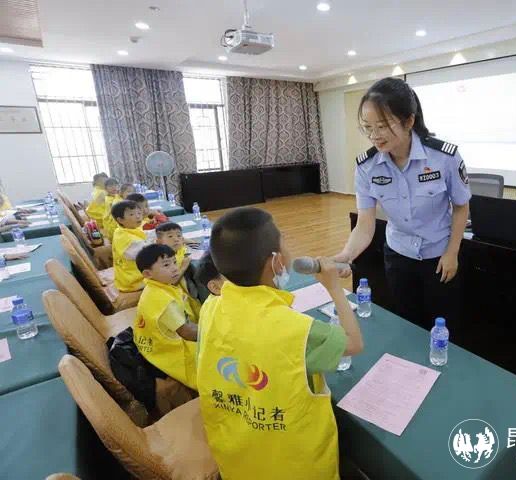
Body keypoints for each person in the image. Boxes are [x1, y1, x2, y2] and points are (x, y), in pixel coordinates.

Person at [197, 207, 363, 480]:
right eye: (284, 240)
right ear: (276, 262)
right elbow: (353, 343)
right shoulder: (295, 330)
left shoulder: (210, 307)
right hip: (294, 465)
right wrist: (334, 287)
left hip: (237, 456)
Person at [332, 77, 471, 332]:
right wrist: (347, 255)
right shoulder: (367, 167)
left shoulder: (443, 157)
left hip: (439, 256)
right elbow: (364, 224)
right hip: (398, 256)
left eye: (382, 126)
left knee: (443, 325)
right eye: (367, 127)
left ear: (409, 121)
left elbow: (461, 208)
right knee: (407, 324)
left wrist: (452, 252)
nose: (374, 136)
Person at [134, 244, 199, 390]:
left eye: (175, 262)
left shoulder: (153, 288)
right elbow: (187, 332)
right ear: (148, 274)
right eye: (166, 265)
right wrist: (213, 331)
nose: (175, 268)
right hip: (167, 352)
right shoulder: (163, 301)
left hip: (151, 347)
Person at [156, 221, 201, 316]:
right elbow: (171, 283)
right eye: (170, 236)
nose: (176, 239)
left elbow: (197, 245)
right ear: (159, 241)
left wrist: (184, 240)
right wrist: (183, 267)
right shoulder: (162, 259)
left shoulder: (181, 250)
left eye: (179, 235)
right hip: (174, 298)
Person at [111, 200, 147, 292]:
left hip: (125, 276)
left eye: (139, 213)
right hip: (134, 281)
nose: (138, 216)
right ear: (120, 220)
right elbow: (148, 254)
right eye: (132, 214)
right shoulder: (128, 241)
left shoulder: (121, 230)